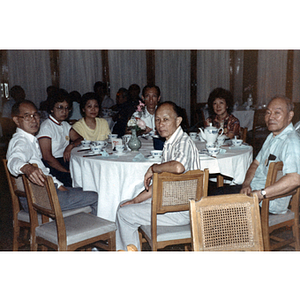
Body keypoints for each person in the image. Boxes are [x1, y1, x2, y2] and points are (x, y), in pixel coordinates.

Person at [115, 101, 201, 250]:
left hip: (181, 210)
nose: (161, 124)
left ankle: (128, 255)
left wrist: (154, 168)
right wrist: (135, 200)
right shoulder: (171, 143)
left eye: (166, 119)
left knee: (124, 214)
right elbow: (158, 185)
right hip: (170, 203)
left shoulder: (183, 142)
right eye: (157, 120)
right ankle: (130, 250)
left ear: (178, 121)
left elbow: (178, 166)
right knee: (124, 204)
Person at [6, 100, 98, 215]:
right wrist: (27, 168)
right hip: (41, 200)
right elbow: (14, 160)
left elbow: (44, 170)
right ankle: (93, 231)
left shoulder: (29, 139)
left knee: (83, 190)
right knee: (96, 196)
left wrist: (59, 185)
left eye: (35, 115)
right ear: (16, 120)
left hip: (45, 193)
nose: (33, 120)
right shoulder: (21, 141)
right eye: (27, 116)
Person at [212, 95, 300, 215]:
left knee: (212, 209)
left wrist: (261, 194)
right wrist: (246, 184)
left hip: (267, 203)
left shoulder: (291, 141)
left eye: (277, 113)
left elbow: (294, 179)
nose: (271, 117)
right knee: (214, 194)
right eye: (268, 113)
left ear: (290, 116)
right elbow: (255, 163)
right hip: (253, 192)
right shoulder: (273, 136)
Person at [36, 89, 83, 187]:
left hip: (64, 161)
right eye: (60, 108)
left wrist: (70, 146)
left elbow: (80, 139)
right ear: (52, 109)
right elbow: (47, 157)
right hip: (51, 166)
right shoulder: (46, 127)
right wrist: (65, 171)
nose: (64, 111)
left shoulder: (65, 125)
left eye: (67, 108)